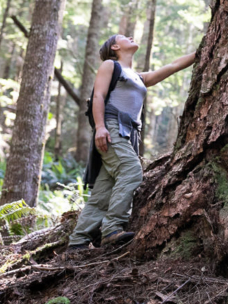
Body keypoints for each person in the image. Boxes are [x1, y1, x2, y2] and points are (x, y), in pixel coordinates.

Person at [67, 33, 196, 251]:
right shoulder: (110, 65)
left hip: (127, 134)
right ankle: (111, 229)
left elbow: (173, 66)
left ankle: (78, 241)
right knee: (131, 171)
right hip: (111, 127)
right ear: (115, 46)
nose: (131, 37)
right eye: (125, 37)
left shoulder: (139, 77)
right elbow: (98, 96)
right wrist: (100, 127)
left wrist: (201, 50)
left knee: (103, 190)